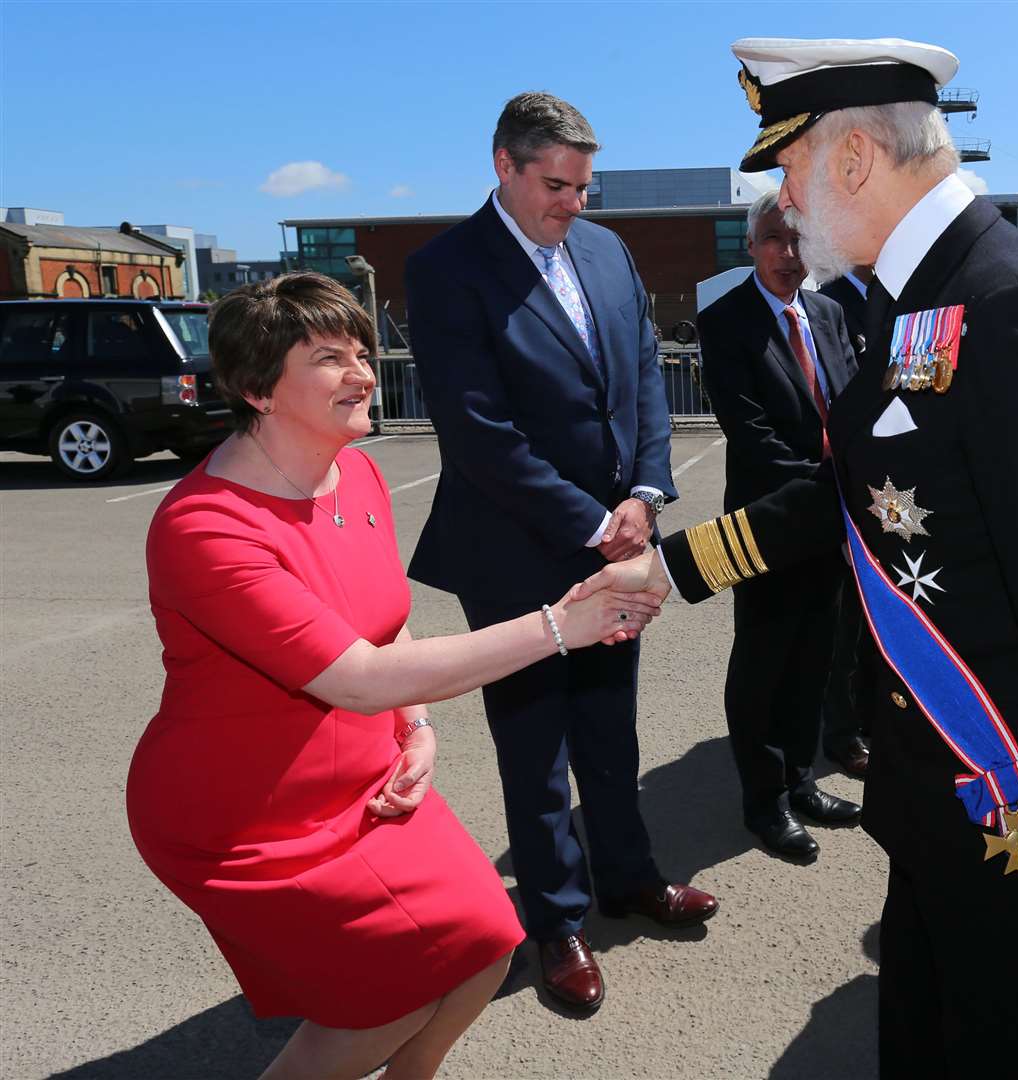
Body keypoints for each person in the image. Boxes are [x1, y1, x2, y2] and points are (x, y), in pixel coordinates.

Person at [586, 37, 1018, 1078]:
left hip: (1015, 812)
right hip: (937, 802)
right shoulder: (922, 297)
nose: (785, 201)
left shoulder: (1010, 305)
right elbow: (861, 492)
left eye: (789, 170)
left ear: (853, 157)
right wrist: (674, 569)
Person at [126, 273, 662, 1078]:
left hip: (363, 776)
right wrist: (563, 626)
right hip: (246, 818)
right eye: (329, 358)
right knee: (387, 998)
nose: (363, 373)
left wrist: (413, 724)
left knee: (486, 948)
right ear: (255, 390)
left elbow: (380, 624)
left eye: (363, 353)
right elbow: (357, 676)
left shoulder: (357, 473)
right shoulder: (206, 527)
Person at [404, 91, 716, 1016]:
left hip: (617, 534)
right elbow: (476, 430)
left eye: (583, 186)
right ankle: (556, 922)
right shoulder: (447, 268)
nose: (572, 204)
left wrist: (645, 495)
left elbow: (645, 385)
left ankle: (628, 878)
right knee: (535, 748)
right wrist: (593, 520)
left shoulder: (608, 251)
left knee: (610, 726)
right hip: (514, 549)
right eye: (554, 185)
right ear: (502, 164)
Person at [700, 190, 862, 860]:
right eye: (774, 239)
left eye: (798, 241)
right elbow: (752, 432)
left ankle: (799, 779)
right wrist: (830, 483)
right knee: (763, 664)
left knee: (814, 656)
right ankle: (762, 801)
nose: (787, 255)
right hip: (767, 522)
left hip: (829, 522)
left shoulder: (826, 312)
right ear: (750, 244)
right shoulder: (725, 321)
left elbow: (851, 405)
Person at [814, 266, 875, 779]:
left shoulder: (901, 294)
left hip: (891, 481)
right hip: (843, 481)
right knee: (844, 620)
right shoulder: (832, 302)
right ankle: (841, 728)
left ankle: (873, 715)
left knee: (883, 614)